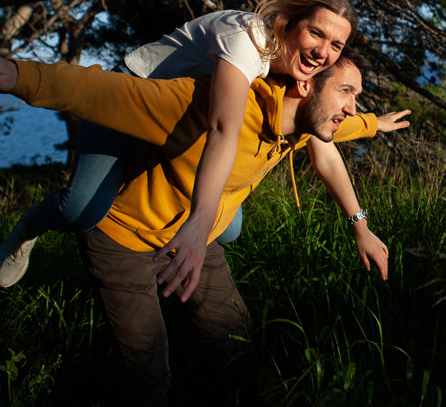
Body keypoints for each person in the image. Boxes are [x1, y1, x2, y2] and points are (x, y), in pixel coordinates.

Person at [0, 48, 409, 404]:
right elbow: (98, 91)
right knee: (147, 379)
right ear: (305, 86)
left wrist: (374, 128)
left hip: (198, 238)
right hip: (124, 238)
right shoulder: (206, 106)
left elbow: (339, 137)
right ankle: (27, 231)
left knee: (237, 344)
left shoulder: (305, 123)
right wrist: (16, 75)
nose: (352, 108)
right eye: (346, 92)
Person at [0, 0, 360, 288]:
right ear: (290, 23)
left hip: (179, 126)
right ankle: (25, 230)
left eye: (337, 45)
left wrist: (374, 123)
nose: (324, 52)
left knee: (230, 229)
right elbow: (224, 128)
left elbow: (319, 127)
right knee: (80, 211)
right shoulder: (247, 39)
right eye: (316, 33)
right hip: (135, 99)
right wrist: (198, 221)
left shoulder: (296, 69)